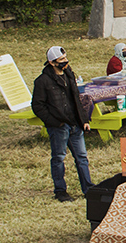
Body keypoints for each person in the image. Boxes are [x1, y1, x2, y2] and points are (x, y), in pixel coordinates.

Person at [32, 46, 93, 202]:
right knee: (58, 158)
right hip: (59, 126)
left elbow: (76, 99)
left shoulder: (68, 74)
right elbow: (37, 106)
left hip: (75, 124)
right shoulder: (42, 81)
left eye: (65, 59)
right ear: (52, 63)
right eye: (61, 60)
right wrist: (54, 122)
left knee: (82, 157)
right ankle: (60, 190)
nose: (65, 62)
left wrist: (84, 120)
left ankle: (88, 188)